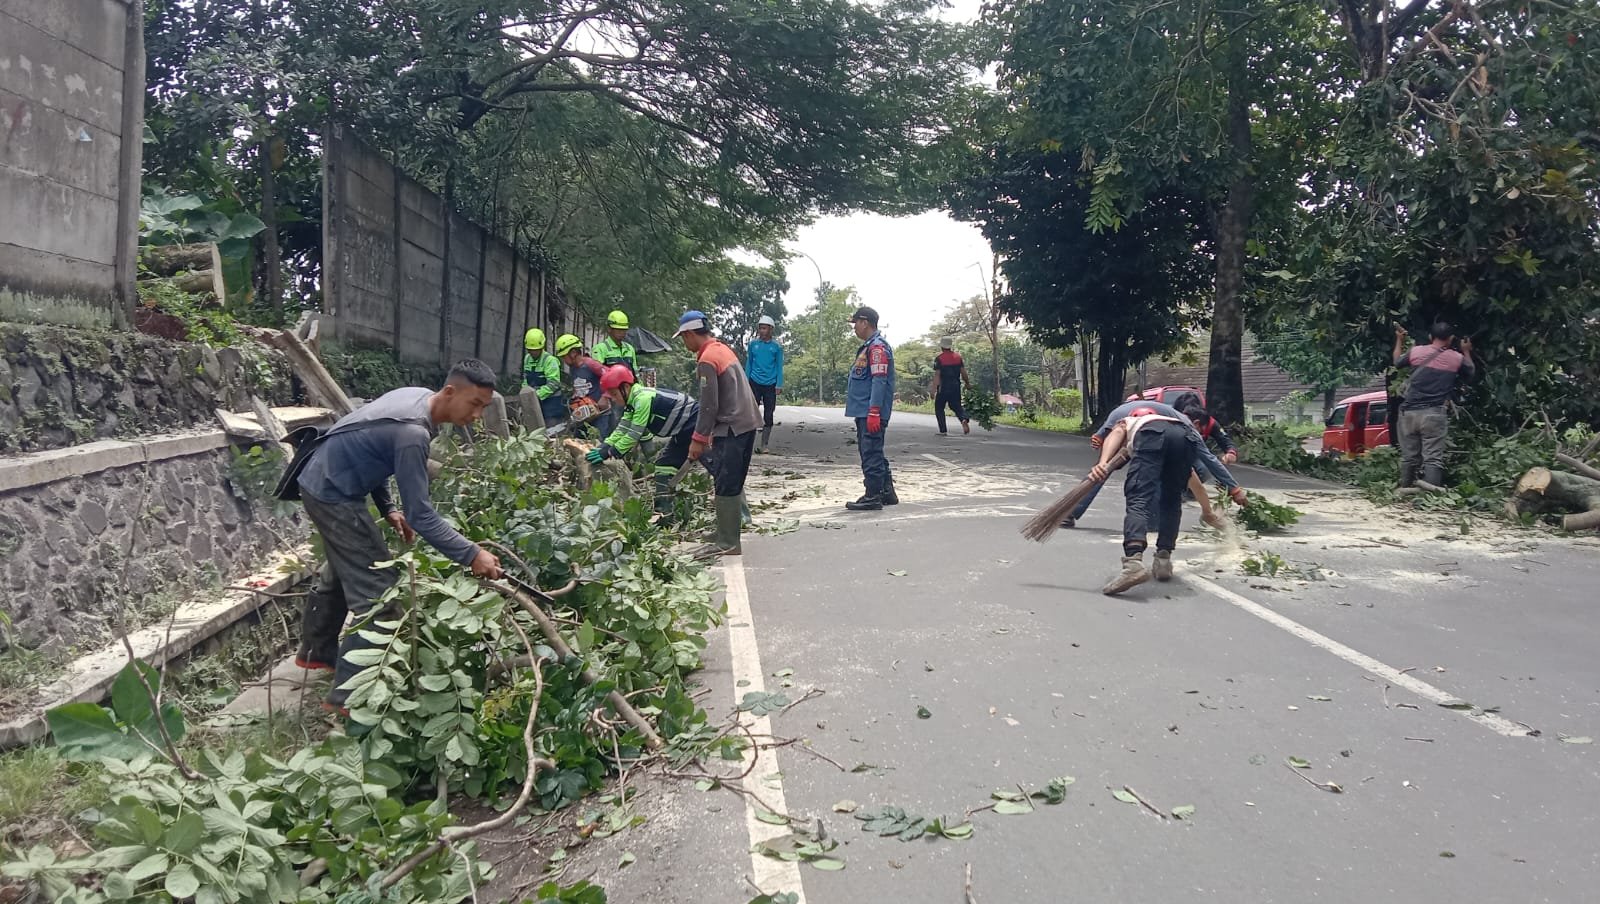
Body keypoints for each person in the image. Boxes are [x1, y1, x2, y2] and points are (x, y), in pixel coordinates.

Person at [295, 360, 504, 712]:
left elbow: (368, 445)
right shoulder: (414, 434)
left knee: (347, 568)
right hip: (334, 494)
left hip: (320, 477)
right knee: (380, 597)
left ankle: (317, 652)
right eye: (474, 404)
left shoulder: (415, 397)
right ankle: (348, 699)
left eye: (483, 407)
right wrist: (472, 554)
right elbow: (421, 515)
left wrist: (388, 507)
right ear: (450, 392)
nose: (477, 415)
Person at [1089, 405, 1237, 595]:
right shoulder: (1174, 425)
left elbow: (1117, 431)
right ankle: (1163, 560)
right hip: (1186, 439)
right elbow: (1195, 483)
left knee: (1138, 499)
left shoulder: (1133, 421)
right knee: (1172, 500)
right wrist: (1207, 511)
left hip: (1153, 437)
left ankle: (1133, 563)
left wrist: (1102, 463)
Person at [1065, 399, 1244, 530]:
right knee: (1157, 476)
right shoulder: (1185, 426)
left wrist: (1103, 461)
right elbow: (1207, 461)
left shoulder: (1126, 418)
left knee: (1103, 471)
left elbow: (1114, 430)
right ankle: (1152, 523)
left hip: (1134, 430)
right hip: (1150, 438)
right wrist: (1233, 489)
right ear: (1196, 423)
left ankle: (1069, 511)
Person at [675, 310, 762, 556]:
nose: (685, 343)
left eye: (683, 338)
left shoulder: (707, 359)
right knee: (731, 479)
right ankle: (726, 532)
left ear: (689, 334)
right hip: (746, 423)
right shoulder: (722, 349)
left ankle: (728, 542)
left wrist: (698, 439)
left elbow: (708, 405)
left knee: (726, 481)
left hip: (732, 426)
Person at [585, 365, 703, 513]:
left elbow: (634, 434)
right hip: (681, 431)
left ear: (625, 387)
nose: (613, 399)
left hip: (695, 425)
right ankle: (664, 511)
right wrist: (604, 446)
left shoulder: (643, 399)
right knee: (664, 465)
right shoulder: (632, 403)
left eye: (614, 394)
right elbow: (623, 428)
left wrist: (610, 452)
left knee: (711, 462)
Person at [1393, 322, 1475, 492]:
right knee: (1433, 458)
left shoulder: (1416, 352)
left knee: (1409, 457)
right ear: (1451, 339)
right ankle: (1430, 496)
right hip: (1434, 414)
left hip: (1409, 413)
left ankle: (1405, 490)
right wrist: (1466, 350)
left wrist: (1400, 340)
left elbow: (1397, 362)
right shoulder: (1456, 358)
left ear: (1431, 337)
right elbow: (1471, 372)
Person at [844, 306, 898, 511]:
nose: (854, 328)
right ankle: (886, 492)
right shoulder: (869, 347)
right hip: (864, 411)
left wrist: (874, 410)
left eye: (856, 323)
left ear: (865, 322)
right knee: (874, 450)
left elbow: (879, 380)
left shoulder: (877, 348)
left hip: (870, 412)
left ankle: (873, 495)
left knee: (870, 453)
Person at [592, 310, 638, 438]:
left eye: (624, 330)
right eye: (618, 329)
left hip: (629, 395)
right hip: (612, 396)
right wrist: (606, 396)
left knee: (633, 427)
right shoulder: (600, 349)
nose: (622, 333)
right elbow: (599, 376)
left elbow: (634, 373)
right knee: (615, 427)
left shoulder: (629, 349)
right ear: (609, 329)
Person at [745, 315, 784, 453]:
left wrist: (779, 384)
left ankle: (764, 444)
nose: (762, 331)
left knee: (769, 413)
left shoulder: (776, 347)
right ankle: (748, 443)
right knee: (751, 413)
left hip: (770, 383)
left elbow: (779, 366)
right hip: (754, 381)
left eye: (765, 328)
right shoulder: (753, 345)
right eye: (760, 328)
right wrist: (745, 381)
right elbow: (749, 363)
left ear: (771, 329)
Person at [555, 333, 607, 432]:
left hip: (600, 414)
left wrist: (605, 397)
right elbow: (578, 385)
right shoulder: (573, 368)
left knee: (599, 439)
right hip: (585, 413)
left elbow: (610, 376)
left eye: (564, 356)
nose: (564, 360)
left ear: (573, 353)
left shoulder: (591, 364)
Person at [522, 328, 567, 426]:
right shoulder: (527, 359)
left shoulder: (550, 361)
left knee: (552, 429)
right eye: (530, 350)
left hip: (552, 404)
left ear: (542, 347)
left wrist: (536, 395)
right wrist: (525, 393)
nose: (533, 353)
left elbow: (554, 384)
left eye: (536, 350)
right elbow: (526, 379)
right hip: (535, 402)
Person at [931, 337, 972, 436]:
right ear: (950, 346)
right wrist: (967, 383)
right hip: (956, 386)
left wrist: (933, 390)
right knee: (956, 406)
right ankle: (963, 419)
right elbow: (963, 372)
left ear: (942, 346)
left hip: (943, 386)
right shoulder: (958, 357)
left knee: (939, 407)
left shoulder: (939, 359)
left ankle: (943, 430)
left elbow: (937, 375)